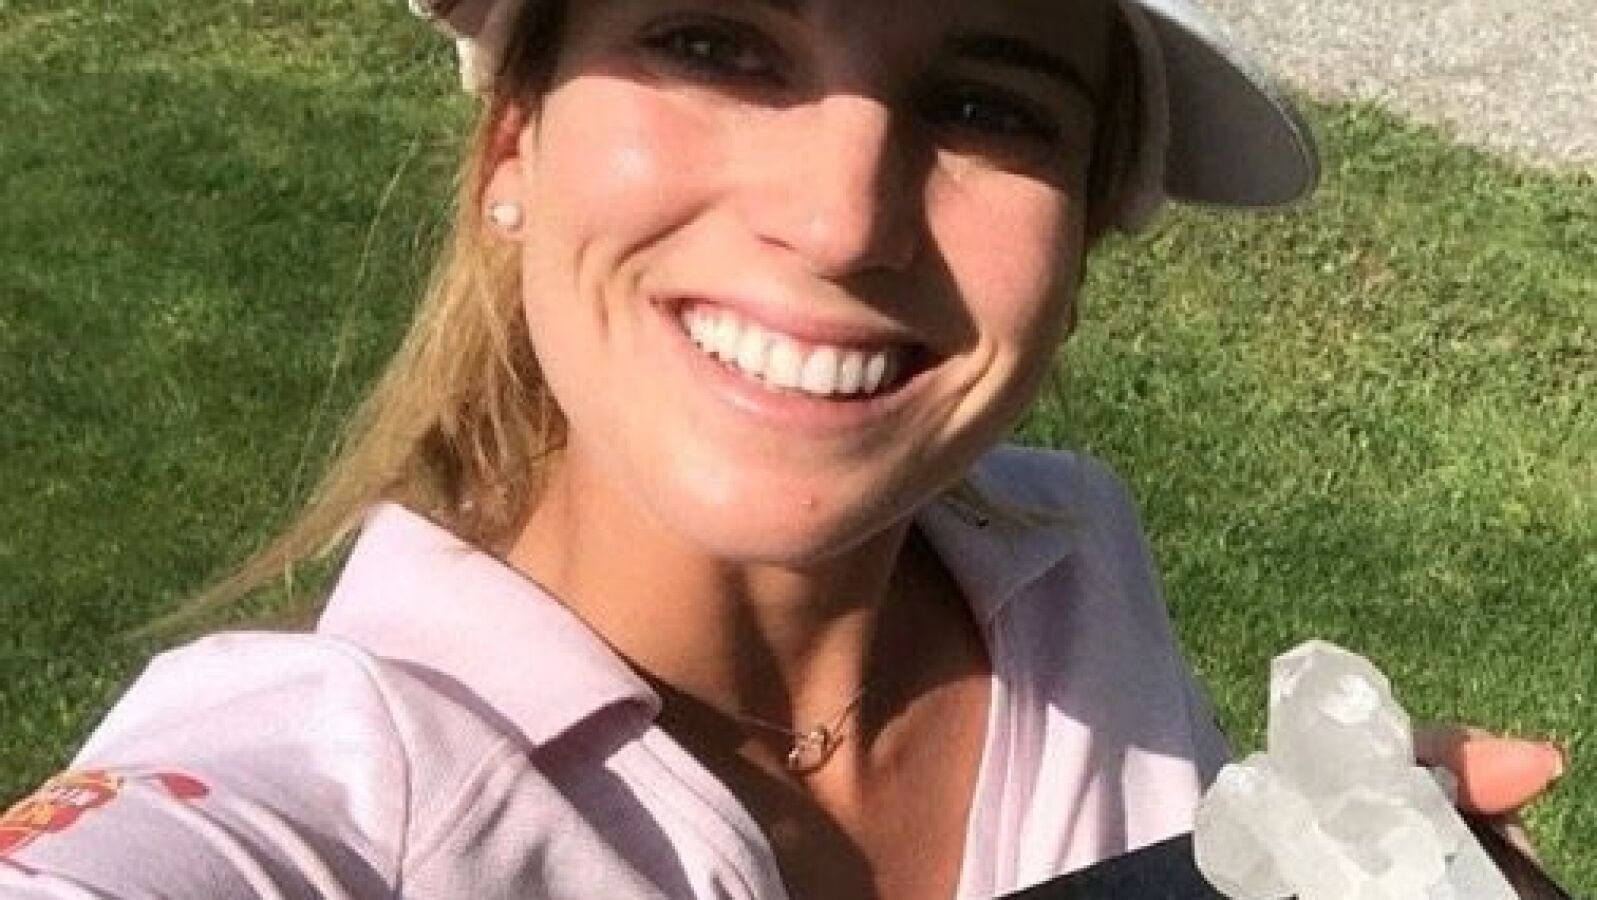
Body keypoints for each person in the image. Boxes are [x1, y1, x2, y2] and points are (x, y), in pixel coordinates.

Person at [0, 0, 1565, 897]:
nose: (840, 217)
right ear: (512, 145)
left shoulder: (1064, 563)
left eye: (985, 104)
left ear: (1084, 237)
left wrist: (1334, 848)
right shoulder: (340, 777)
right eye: (715, 40)